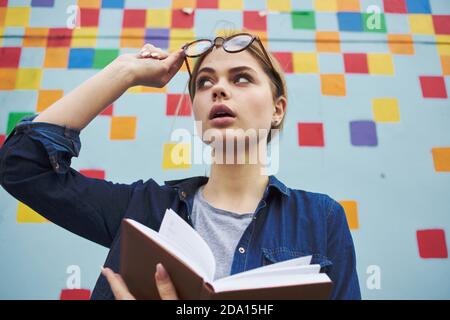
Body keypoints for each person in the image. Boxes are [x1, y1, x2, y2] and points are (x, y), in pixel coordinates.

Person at [0, 31, 361, 300]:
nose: (218, 90)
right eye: (204, 83)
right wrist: (124, 73)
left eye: (241, 77)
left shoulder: (322, 219)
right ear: (197, 113)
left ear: (277, 109)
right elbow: (21, 166)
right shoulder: (141, 210)